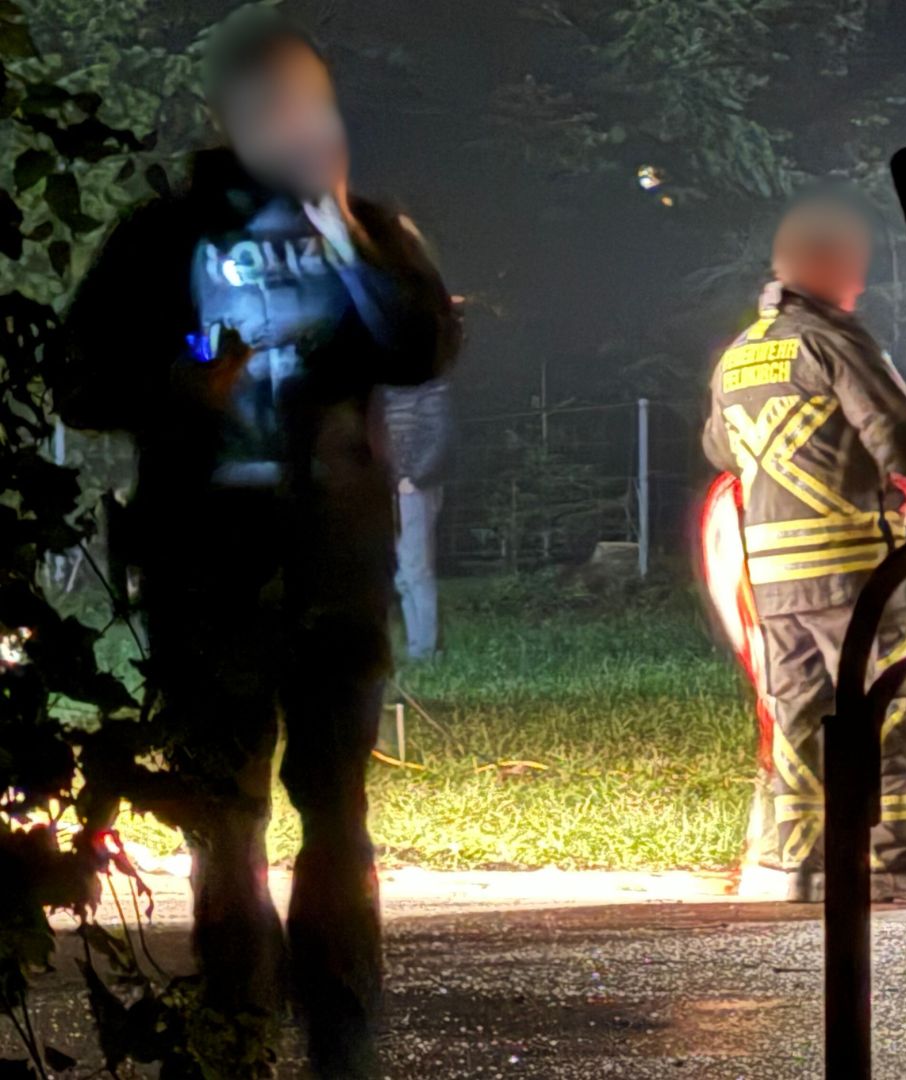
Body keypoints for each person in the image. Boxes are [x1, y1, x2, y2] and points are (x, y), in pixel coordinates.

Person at [57, 15, 459, 1076]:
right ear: (228, 114)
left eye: (313, 98)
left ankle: (342, 1037)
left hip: (336, 568)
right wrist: (177, 390)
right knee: (224, 820)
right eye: (277, 101)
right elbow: (78, 379)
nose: (302, 120)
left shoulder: (367, 225)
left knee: (337, 813)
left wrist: (344, 230)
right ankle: (236, 1030)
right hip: (207, 572)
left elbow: (423, 347)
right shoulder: (162, 237)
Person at [701, 196, 906, 905]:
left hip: (771, 573)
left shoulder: (738, 355)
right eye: (854, 268)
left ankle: (799, 863)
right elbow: (901, 441)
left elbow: (719, 449)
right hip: (851, 568)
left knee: (799, 711)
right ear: (828, 265)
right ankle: (896, 860)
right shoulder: (835, 342)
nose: (860, 283)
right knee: (892, 699)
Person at [382, 377, 452, 661]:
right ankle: (417, 649)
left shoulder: (429, 389)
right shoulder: (388, 392)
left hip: (413, 490)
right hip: (393, 488)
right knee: (402, 576)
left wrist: (415, 478)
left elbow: (441, 436)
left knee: (416, 570)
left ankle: (427, 651)